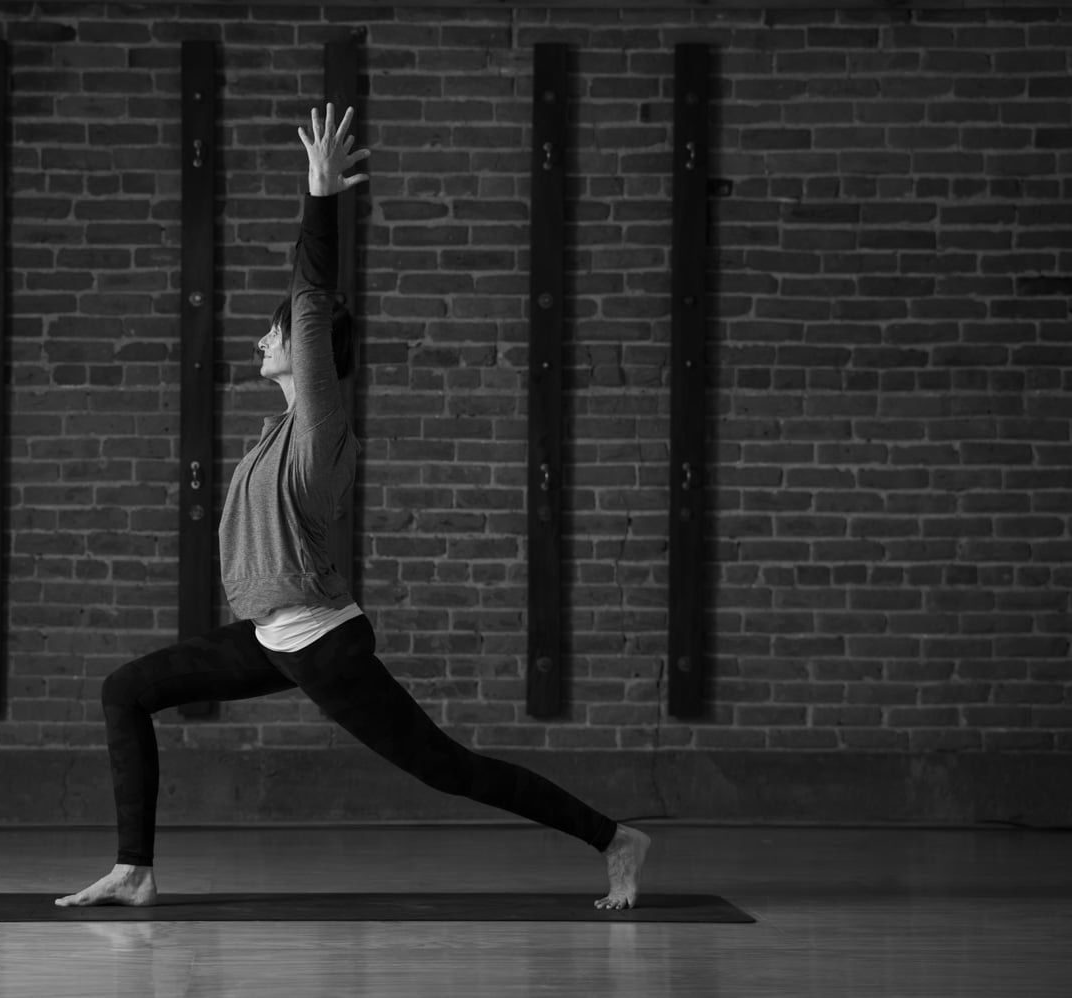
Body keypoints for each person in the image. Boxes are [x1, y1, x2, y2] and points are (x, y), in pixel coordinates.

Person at [57, 104, 650, 911]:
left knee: (448, 770)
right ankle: (135, 869)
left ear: (302, 348)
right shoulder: (277, 434)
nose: (260, 344)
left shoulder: (320, 424)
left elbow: (309, 296)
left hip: (322, 644)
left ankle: (617, 839)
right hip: (274, 634)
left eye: (274, 335)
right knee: (124, 689)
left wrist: (320, 195)